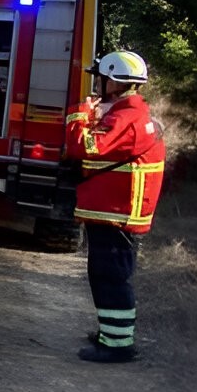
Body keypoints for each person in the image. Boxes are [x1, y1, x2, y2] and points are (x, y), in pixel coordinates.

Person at [64, 50, 166, 364]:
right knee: (106, 274)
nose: (97, 83)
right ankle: (112, 333)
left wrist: (79, 114)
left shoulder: (126, 116)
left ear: (113, 81)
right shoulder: (129, 111)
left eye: (101, 78)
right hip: (117, 210)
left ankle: (118, 345)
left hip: (117, 213)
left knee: (110, 276)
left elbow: (83, 146)